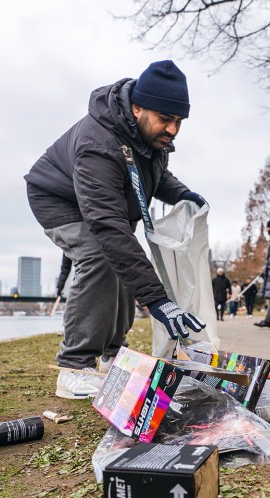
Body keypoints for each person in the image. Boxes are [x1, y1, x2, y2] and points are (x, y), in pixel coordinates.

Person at [25, 60, 208, 400]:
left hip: (106, 202)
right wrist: (157, 300)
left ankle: (113, 354)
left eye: (179, 121)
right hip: (57, 198)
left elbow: (157, 175)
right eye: (165, 120)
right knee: (99, 256)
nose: (172, 130)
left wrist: (181, 193)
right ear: (137, 107)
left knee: (123, 259)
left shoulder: (148, 137)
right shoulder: (99, 143)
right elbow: (107, 226)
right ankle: (74, 366)